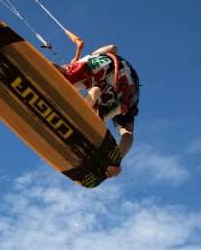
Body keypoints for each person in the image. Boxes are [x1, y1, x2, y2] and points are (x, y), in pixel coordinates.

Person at [51, 45, 140, 178]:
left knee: (62, 72)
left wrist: (88, 58)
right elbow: (128, 133)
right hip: (127, 90)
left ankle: (29, 63)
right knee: (96, 119)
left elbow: (112, 47)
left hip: (111, 63)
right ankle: (88, 107)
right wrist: (117, 160)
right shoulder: (130, 107)